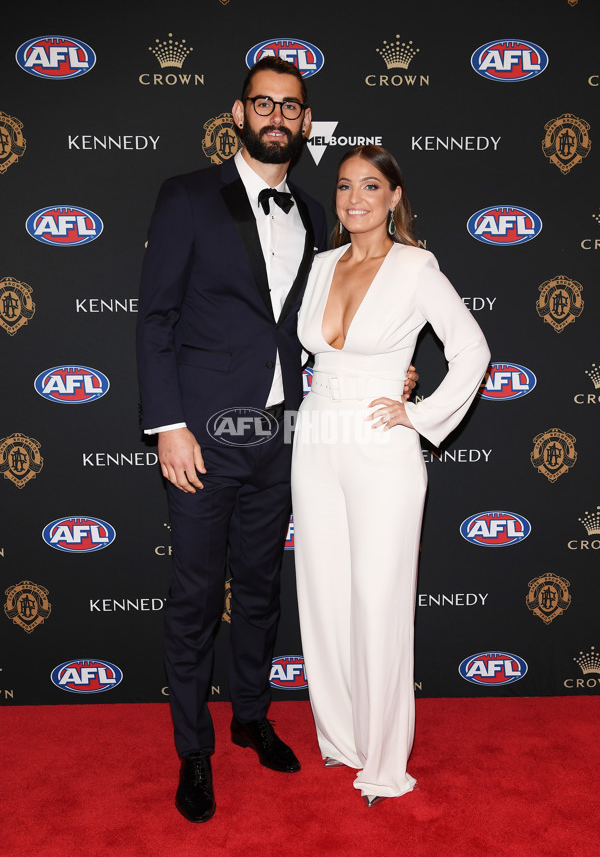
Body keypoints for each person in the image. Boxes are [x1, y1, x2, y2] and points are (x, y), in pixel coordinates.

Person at [137, 59, 416, 823]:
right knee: (196, 597)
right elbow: (155, 319)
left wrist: (396, 369)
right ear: (238, 110)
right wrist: (168, 427)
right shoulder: (188, 195)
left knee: (260, 591)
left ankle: (251, 717)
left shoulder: (311, 213)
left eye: (290, 107)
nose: (276, 117)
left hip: (286, 438)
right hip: (201, 440)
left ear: (304, 120)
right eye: (264, 103)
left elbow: (332, 323)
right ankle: (194, 750)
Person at [291, 145, 490, 807]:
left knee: (379, 599)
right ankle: (343, 739)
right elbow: (300, 355)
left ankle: (382, 763)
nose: (355, 198)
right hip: (317, 434)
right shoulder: (319, 266)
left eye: (371, 186)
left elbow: (471, 349)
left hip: (381, 444)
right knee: (323, 594)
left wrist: (421, 413)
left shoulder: (414, 266)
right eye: (345, 185)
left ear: (394, 196)